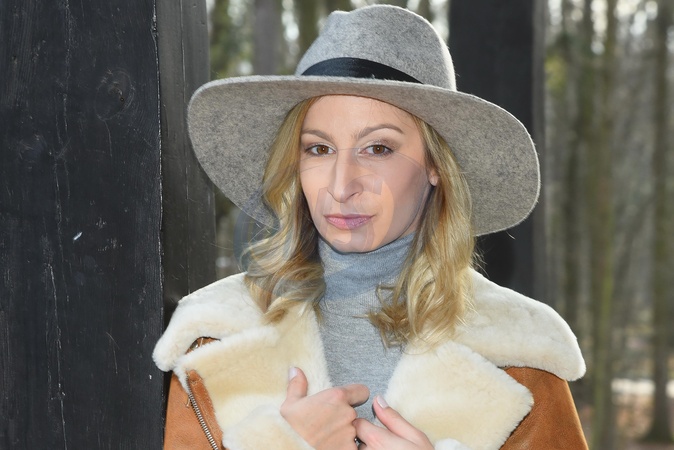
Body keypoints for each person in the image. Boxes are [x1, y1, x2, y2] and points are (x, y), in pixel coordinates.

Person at [153, 5, 588, 450]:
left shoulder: (519, 351)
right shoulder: (216, 332)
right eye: (319, 149)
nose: (341, 186)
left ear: (436, 165)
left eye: (378, 148)